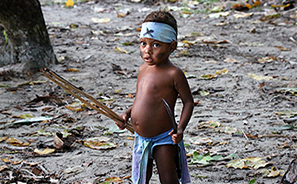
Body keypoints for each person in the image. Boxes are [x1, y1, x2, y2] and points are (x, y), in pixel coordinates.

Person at [116, 10, 194, 184]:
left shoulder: (174, 73)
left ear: (172, 47)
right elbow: (142, 99)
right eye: (143, 43)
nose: (147, 51)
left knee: (168, 178)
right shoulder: (142, 69)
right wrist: (127, 114)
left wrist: (180, 129)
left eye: (156, 45)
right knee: (142, 177)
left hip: (164, 137)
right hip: (141, 137)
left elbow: (188, 102)